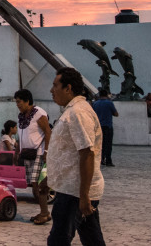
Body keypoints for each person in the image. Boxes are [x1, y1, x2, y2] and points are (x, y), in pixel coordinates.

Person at [47, 67, 106, 246]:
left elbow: (87, 153)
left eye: (55, 85)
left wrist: (84, 195)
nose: (51, 90)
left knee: (58, 240)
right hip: (72, 189)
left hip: (74, 192)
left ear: (68, 88)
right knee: (91, 238)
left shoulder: (78, 113)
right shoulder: (72, 110)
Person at [15, 88, 51, 225]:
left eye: (19, 102)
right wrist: (17, 151)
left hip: (39, 154)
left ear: (27, 101)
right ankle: (44, 212)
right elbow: (21, 135)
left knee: (40, 185)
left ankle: (44, 213)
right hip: (27, 154)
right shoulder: (22, 116)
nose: (17, 105)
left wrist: (47, 152)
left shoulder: (39, 114)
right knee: (34, 184)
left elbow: (48, 132)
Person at [91, 93, 118, 167]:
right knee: (108, 144)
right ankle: (108, 160)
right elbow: (116, 114)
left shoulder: (95, 103)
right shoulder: (109, 103)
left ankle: (101, 159)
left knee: (99, 144)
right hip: (107, 125)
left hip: (98, 126)